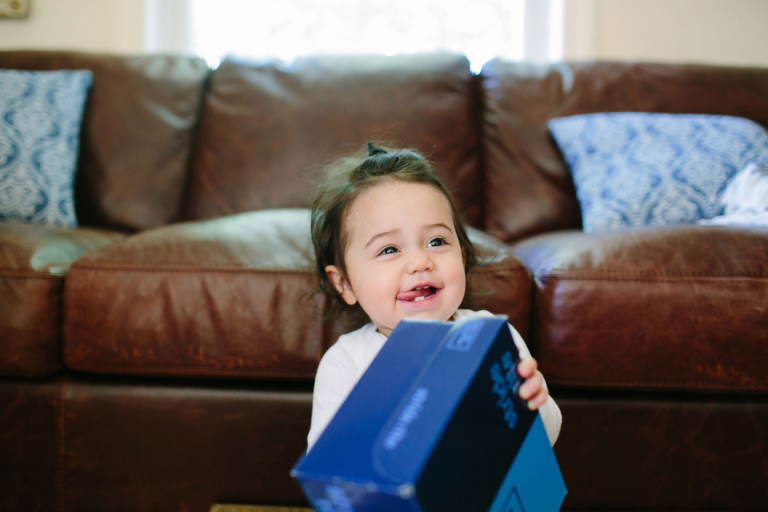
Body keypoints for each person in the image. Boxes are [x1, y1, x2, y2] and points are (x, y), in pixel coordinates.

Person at [307, 142, 562, 451]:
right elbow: (328, 460)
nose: (420, 262)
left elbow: (544, 438)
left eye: (437, 241)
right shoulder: (347, 362)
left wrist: (532, 406)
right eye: (389, 249)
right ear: (344, 283)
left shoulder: (490, 337)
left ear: (464, 255)